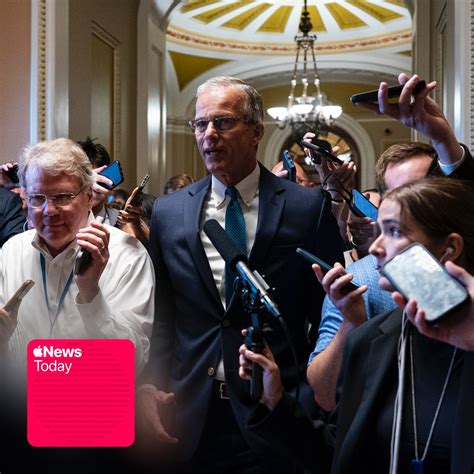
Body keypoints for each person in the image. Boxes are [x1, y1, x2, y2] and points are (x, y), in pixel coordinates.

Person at [138, 76, 343, 473]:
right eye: (201, 124)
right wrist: (152, 384)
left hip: (275, 411)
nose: (209, 134)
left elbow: (326, 314)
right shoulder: (169, 212)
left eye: (224, 122)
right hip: (189, 414)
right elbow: (164, 316)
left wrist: (304, 394)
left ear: (255, 131)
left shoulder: (306, 207)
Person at [240, 177, 474, 473]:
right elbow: (338, 455)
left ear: (449, 247)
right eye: (378, 232)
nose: (375, 247)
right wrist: (276, 400)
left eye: (393, 231)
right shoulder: (369, 340)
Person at [0, 138, 154, 374]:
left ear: (89, 196)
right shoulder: (12, 252)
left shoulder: (127, 255)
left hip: (91, 396)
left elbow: (133, 362)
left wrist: (91, 295)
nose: (49, 211)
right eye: (37, 198)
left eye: (63, 197)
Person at [307, 141, 436, 411]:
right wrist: (351, 324)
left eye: (420, 192)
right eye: (397, 195)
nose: (407, 206)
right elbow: (325, 396)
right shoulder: (359, 281)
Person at [77, 136, 120, 225]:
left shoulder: (120, 220)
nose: (93, 187)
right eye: (86, 178)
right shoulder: (59, 220)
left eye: (98, 178)